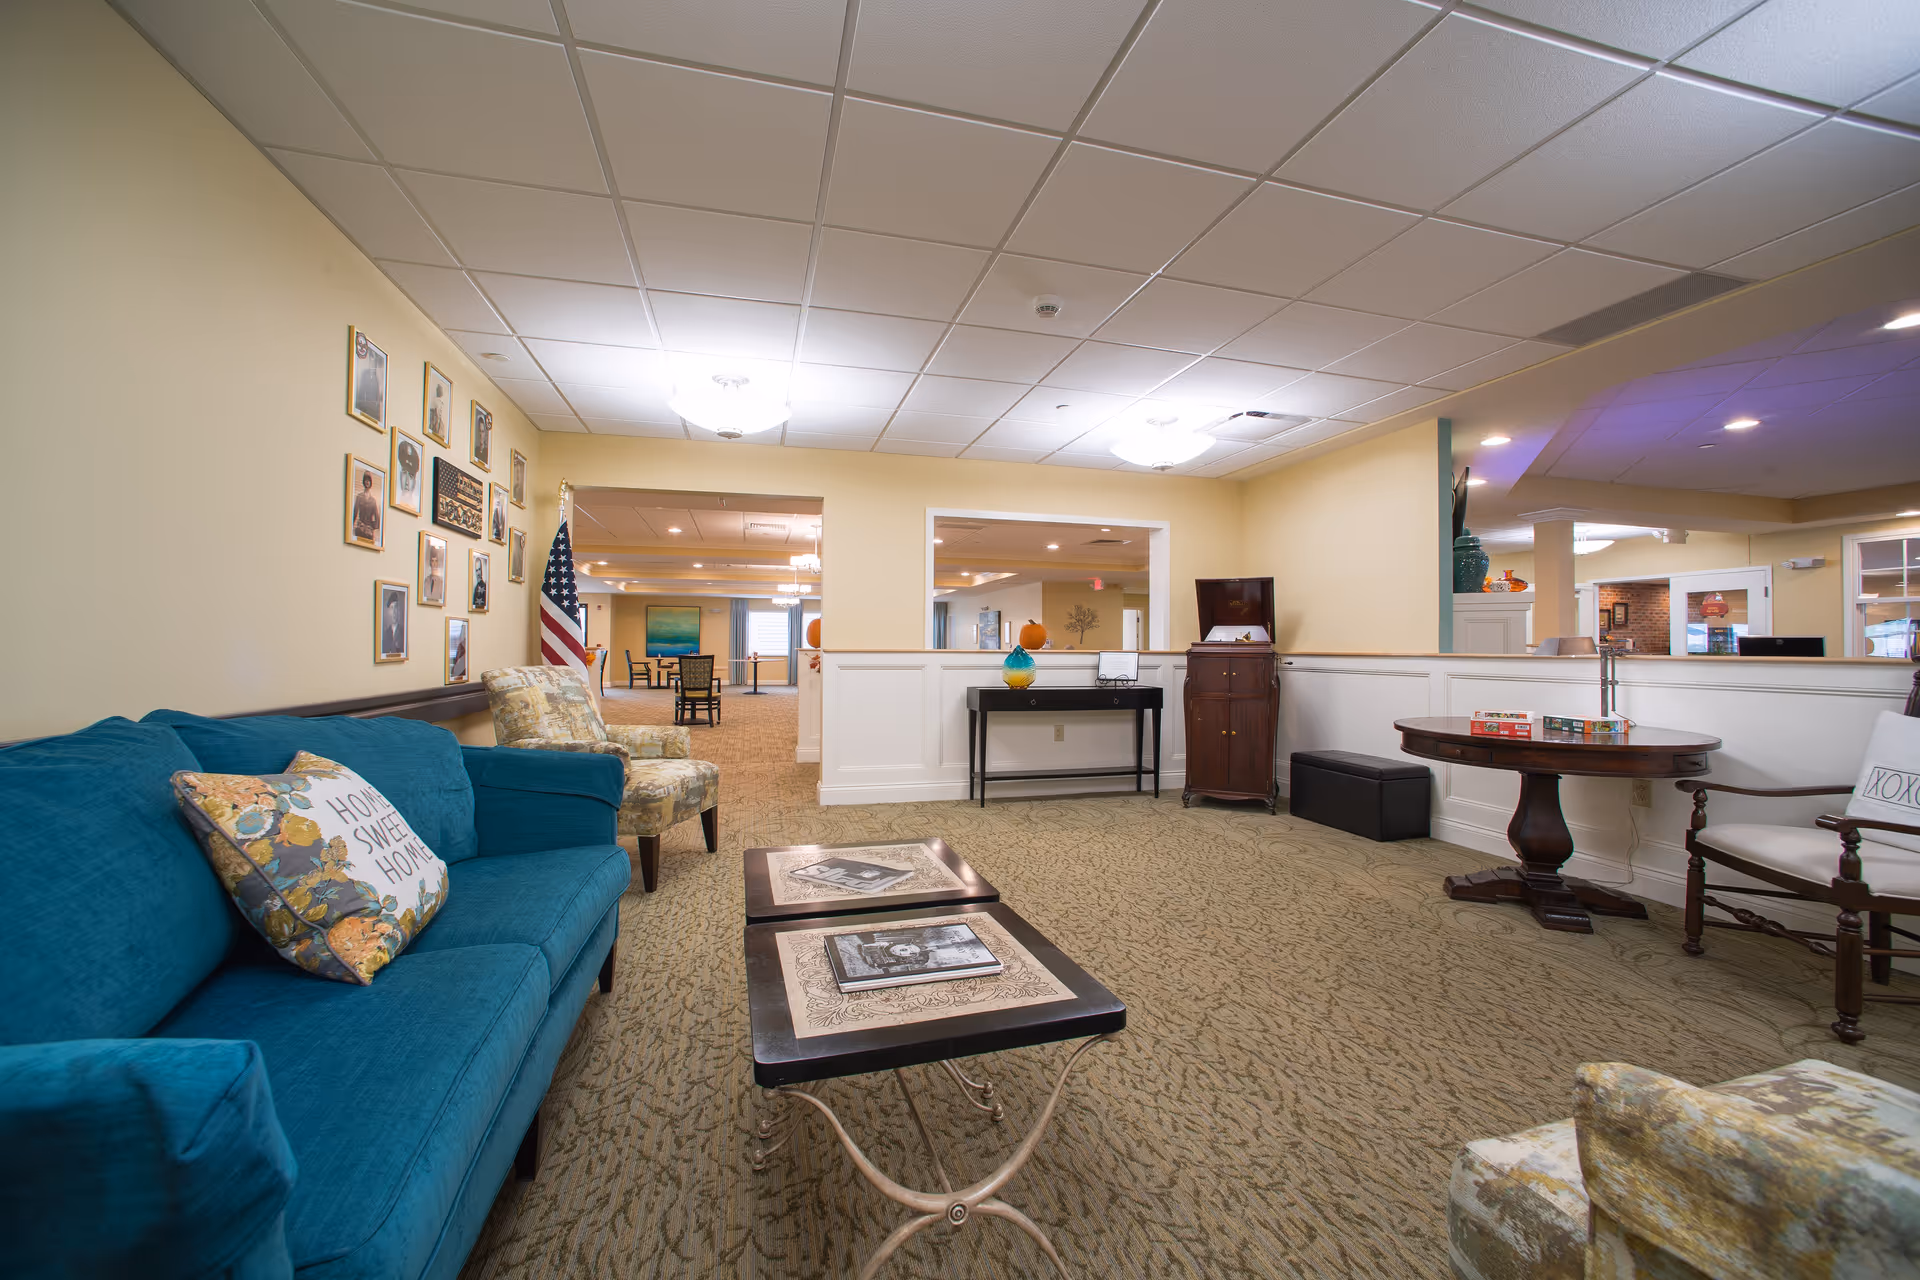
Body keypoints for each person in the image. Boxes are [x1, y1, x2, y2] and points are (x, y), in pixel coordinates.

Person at [351, 470, 381, 543]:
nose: (367, 482)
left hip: (369, 530)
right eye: (366, 480)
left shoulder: (373, 500)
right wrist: (352, 524)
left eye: (368, 481)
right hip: (360, 527)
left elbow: (377, 517)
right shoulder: (359, 497)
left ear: (371, 483)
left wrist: (372, 527)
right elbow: (355, 512)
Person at [381, 592, 405, 657]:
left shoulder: (403, 632)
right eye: (391, 608)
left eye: (395, 608)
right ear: (388, 612)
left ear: (398, 611)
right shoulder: (385, 634)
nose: (394, 612)